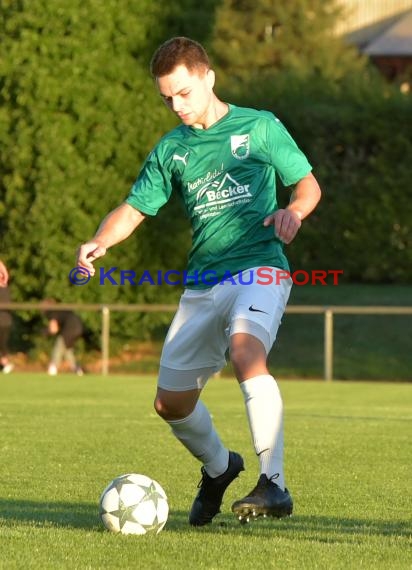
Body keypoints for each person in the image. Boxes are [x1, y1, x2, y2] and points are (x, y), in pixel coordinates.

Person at [77, 37, 321, 526]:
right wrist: (100, 241)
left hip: (260, 265)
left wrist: (294, 212)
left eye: (184, 93)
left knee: (246, 351)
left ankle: (274, 484)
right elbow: (134, 209)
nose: (177, 105)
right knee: (170, 402)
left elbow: (308, 184)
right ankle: (220, 467)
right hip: (203, 282)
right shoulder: (172, 148)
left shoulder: (259, 126)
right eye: (167, 97)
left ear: (208, 76)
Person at [44, 301, 85, 376]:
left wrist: (45, 332)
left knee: (59, 347)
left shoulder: (52, 312)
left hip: (70, 329)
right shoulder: (60, 309)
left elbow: (54, 329)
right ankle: (77, 369)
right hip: (79, 328)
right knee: (67, 349)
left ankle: (53, 367)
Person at [0, 260, 14, 374]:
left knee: (3, 345)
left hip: (3, 322)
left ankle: (6, 364)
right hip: (6, 322)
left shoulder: (3, 291)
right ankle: (5, 363)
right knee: (3, 346)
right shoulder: (6, 290)